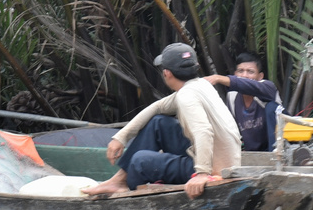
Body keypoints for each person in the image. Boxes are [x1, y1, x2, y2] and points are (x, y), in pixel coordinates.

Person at [86, 43, 242, 198]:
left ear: (167, 73)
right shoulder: (200, 85)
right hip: (217, 157)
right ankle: (118, 180)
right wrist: (121, 137)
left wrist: (202, 173)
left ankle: (125, 187)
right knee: (158, 123)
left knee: (140, 161)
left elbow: (204, 132)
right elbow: (157, 107)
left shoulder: (187, 96)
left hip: (214, 168)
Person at [204, 52, 281, 152]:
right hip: (251, 154)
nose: (244, 75)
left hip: (276, 149)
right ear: (235, 74)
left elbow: (249, 85)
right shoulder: (232, 96)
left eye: (250, 72)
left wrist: (218, 78)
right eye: (240, 71)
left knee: (271, 107)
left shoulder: (267, 88)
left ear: (260, 76)